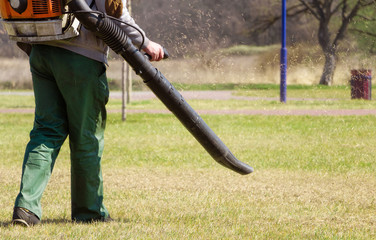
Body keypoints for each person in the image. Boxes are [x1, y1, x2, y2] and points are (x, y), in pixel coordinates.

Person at [11, 0, 164, 227]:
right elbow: (114, 13)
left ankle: (26, 208)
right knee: (86, 135)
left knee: (46, 131)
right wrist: (146, 42)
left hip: (42, 52)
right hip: (80, 57)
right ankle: (89, 211)